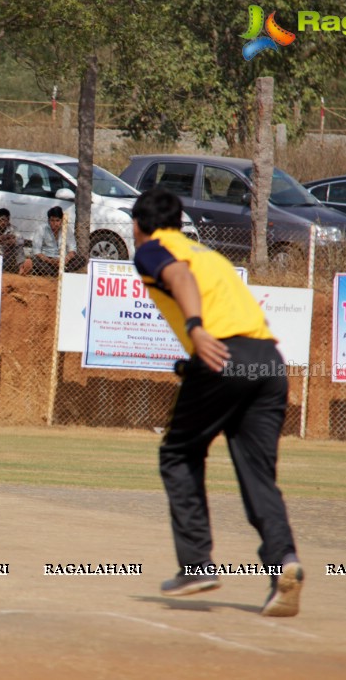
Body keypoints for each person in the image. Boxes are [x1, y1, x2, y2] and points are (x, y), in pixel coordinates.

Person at [130, 187, 303, 617]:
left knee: (178, 452)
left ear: (138, 226)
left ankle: (195, 565)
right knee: (257, 476)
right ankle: (285, 563)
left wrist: (195, 329)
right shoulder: (209, 254)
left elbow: (180, 278)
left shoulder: (153, 249)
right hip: (266, 364)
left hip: (222, 355)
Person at [30, 206, 84, 276]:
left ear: (61, 220)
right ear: (48, 220)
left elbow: (72, 249)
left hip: (63, 259)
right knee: (35, 260)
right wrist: (50, 261)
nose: (55, 223)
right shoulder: (41, 229)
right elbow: (36, 251)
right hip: (47, 259)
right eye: (52, 220)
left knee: (81, 259)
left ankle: (57, 272)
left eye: (57, 220)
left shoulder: (67, 229)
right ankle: (60, 273)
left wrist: (65, 259)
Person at [0, 208, 32, 275]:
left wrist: (10, 241)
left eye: (5, 220)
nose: (3, 223)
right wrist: (7, 237)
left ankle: (22, 269)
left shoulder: (13, 229)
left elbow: (21, 241)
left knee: (18, 245)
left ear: (8, 220)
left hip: (8, 256)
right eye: (1, 220)